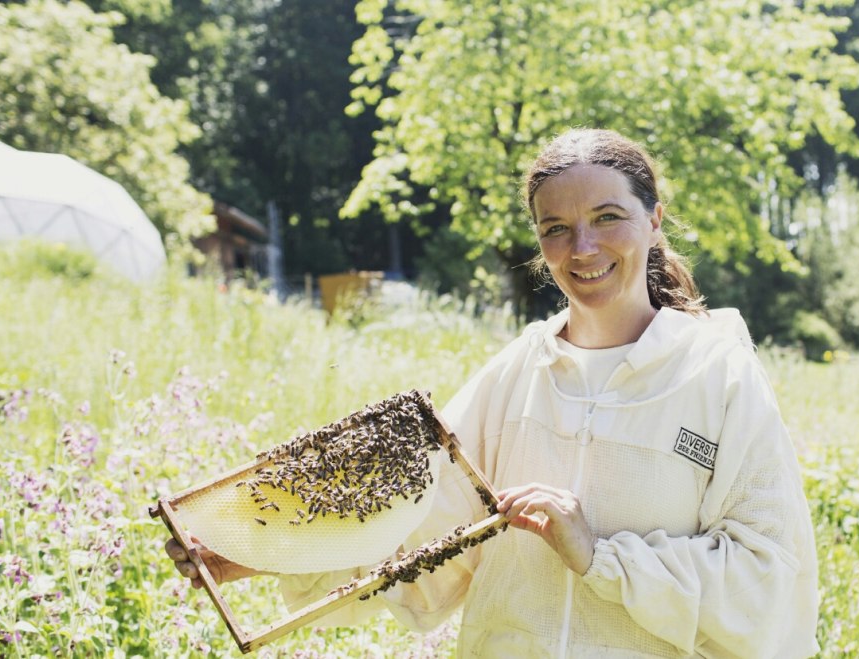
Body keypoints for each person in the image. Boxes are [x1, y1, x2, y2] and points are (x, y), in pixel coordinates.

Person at [166, 128, 820, 657]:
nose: (582, 246)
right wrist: (246, 553)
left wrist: (600, 556)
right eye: (555, 227)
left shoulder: (720, 375)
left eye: (607, 217)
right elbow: (416, 534)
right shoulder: (516, 375)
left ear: (654, 221)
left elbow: (770, 584)